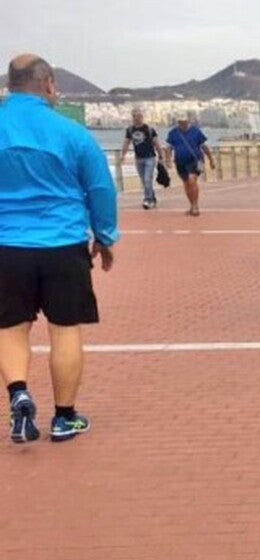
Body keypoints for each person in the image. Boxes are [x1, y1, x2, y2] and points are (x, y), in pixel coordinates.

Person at [0, 54, 118, 443]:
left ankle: (18, 392)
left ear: (10, 85)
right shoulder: (72, 133)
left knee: (10, 328)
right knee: (64, 329)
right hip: (63, 243)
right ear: (48, 84)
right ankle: (64, 417)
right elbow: (100, 188)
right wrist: (104, 236)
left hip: (7, 244)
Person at [164, 112, 214, 216]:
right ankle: (192, 205)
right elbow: (169, 148)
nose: (182, 124)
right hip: (180, 162)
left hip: (195, 160)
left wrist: (211, 159)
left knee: (192, 180)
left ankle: (195, 206)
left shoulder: (196, 131)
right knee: (186, 183)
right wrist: (168, 160)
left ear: (188, 121)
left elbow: (204, 146)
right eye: (180, 122)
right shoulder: (173, 132)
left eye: (184, 122)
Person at [119, 108, 163, 209]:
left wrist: (161, 155)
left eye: (138, 116)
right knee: (144, 180)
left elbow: (156, 143)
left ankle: (148, 199)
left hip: (150, 158)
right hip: (138, 158)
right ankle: (152, 197)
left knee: (147, 179)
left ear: (142, 117)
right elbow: (126, 143)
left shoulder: (149, 129)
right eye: (134, 116)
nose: (136, 118)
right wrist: (123, 155)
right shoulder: (130, 130)